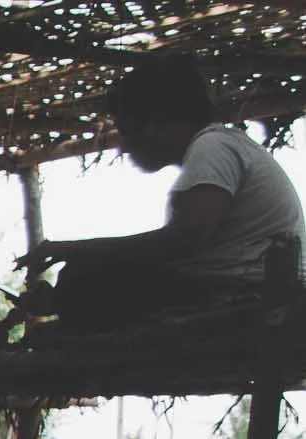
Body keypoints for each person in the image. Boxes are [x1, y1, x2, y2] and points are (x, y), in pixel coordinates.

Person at [23, 60, 304, 333]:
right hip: (239, 284)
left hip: (241, 291)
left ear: (156, 120)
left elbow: (183, 241)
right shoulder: (220, 146)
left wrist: (70, 249)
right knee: (86, 275)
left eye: (126, 131)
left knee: (83, 275)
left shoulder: (213, 146)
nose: (125, 146)